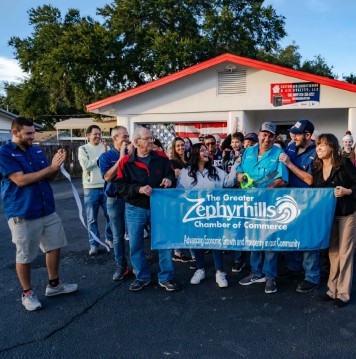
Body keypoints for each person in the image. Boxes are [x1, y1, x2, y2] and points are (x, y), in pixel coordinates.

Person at [0, 117, 77, 311]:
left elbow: (49, 176)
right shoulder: (5, 153)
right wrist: (49, 168)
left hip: (46, 208)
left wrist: (56, 165)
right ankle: (27, 293)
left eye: (33, 132)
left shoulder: (35, 150)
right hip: (23, 211)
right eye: (28, 133)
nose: (33, 136)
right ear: (15, 133)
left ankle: (54, 285)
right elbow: (21, 180)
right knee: (25, 255)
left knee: (54, 246)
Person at [114, 126, 179, 292]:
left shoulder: (162, 157)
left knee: (164, 243)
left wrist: (169, 180)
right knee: (136, 244)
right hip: (135, 208)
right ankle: (142, 277)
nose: (152, 141)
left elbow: (172, 175)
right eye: (148, 139)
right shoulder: (125, 162)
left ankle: (166, 277)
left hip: (159, 207)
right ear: (137, 142)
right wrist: (139, 189)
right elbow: (120, 187)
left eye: (151, 138)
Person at [237, 121, 289, 294]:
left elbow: (281, 179)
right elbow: (240, 169)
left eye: (270, 136)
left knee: (269, 240)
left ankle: (270, 276)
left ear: (275, 138)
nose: (266, 139)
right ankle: (256, 272)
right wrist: (239, 176)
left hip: (270, 205)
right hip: (250, 204)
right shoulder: (248, 151)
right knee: (253, 238)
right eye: (264, 135)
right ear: (258, 135)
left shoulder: (279, 153)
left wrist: (265, 190)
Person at [177, 143, 237, 287]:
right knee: (197, 241)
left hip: (214, 213)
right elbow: (180, 191)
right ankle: (200, 269)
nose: (206, 152)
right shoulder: (186, 172)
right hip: (196, 214)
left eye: (206, 150)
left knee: (215, 242)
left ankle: (220, 272)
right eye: (202, 150)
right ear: (195, 154)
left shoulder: (216, 171)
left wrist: (235, 166)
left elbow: (228, 182)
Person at [313, 134, 356, 308]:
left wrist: (347, 191)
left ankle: (343, 294)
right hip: (328, 216)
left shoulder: (344, 164)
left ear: (332, 147)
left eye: (323, 145)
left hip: (347, 213)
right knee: (333, 253)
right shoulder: (316, 167)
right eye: (317, 145)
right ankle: (332, 290)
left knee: (345, 254)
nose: (319, 148)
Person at [279, 119, 320, 293]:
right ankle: (293, 266)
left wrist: (289, 163)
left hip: (308, 201)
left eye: (297, 134)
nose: (293, 136)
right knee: (290, 235)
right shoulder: (289, 147)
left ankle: (312, 276)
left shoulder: (316, 152)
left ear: (308, 135)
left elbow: (310, 180)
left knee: (308, 239)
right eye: (292, 133)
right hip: (289, 200)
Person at [98, 126, 131, 281]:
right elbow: (107, 177)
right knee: (117, 236)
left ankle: (137, 266)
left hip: (132, 199)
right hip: (114, 200)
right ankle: (121, 266)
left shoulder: (134, 154)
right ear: (115, 138)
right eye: (124, 136)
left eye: (128, 136)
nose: (127, 138)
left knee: (135, 235)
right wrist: (121, 158)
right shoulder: (105, 156)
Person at [78, 125, 113, 255]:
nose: (98, 136)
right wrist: (101, 156)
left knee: (110, 215)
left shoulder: (107, 148)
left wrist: (104, 154)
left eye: (99, 134)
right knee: (91, 219)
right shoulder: (83, 149)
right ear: (88, 135)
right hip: (90, 188)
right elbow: (86, 165)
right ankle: (94, 244)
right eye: (95, 134)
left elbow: (110, 165)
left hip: (106, 186)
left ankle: (109, 238)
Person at [170, 137, 191, 263]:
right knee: (179, 225)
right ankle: (177, 252)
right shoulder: (172, 162)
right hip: (178, 197)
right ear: (174, 147)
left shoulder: (188, 160)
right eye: (178, 146)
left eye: (182, 145)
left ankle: (182, 250)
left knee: (187, 224)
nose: (181, 148)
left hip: (189, 197)